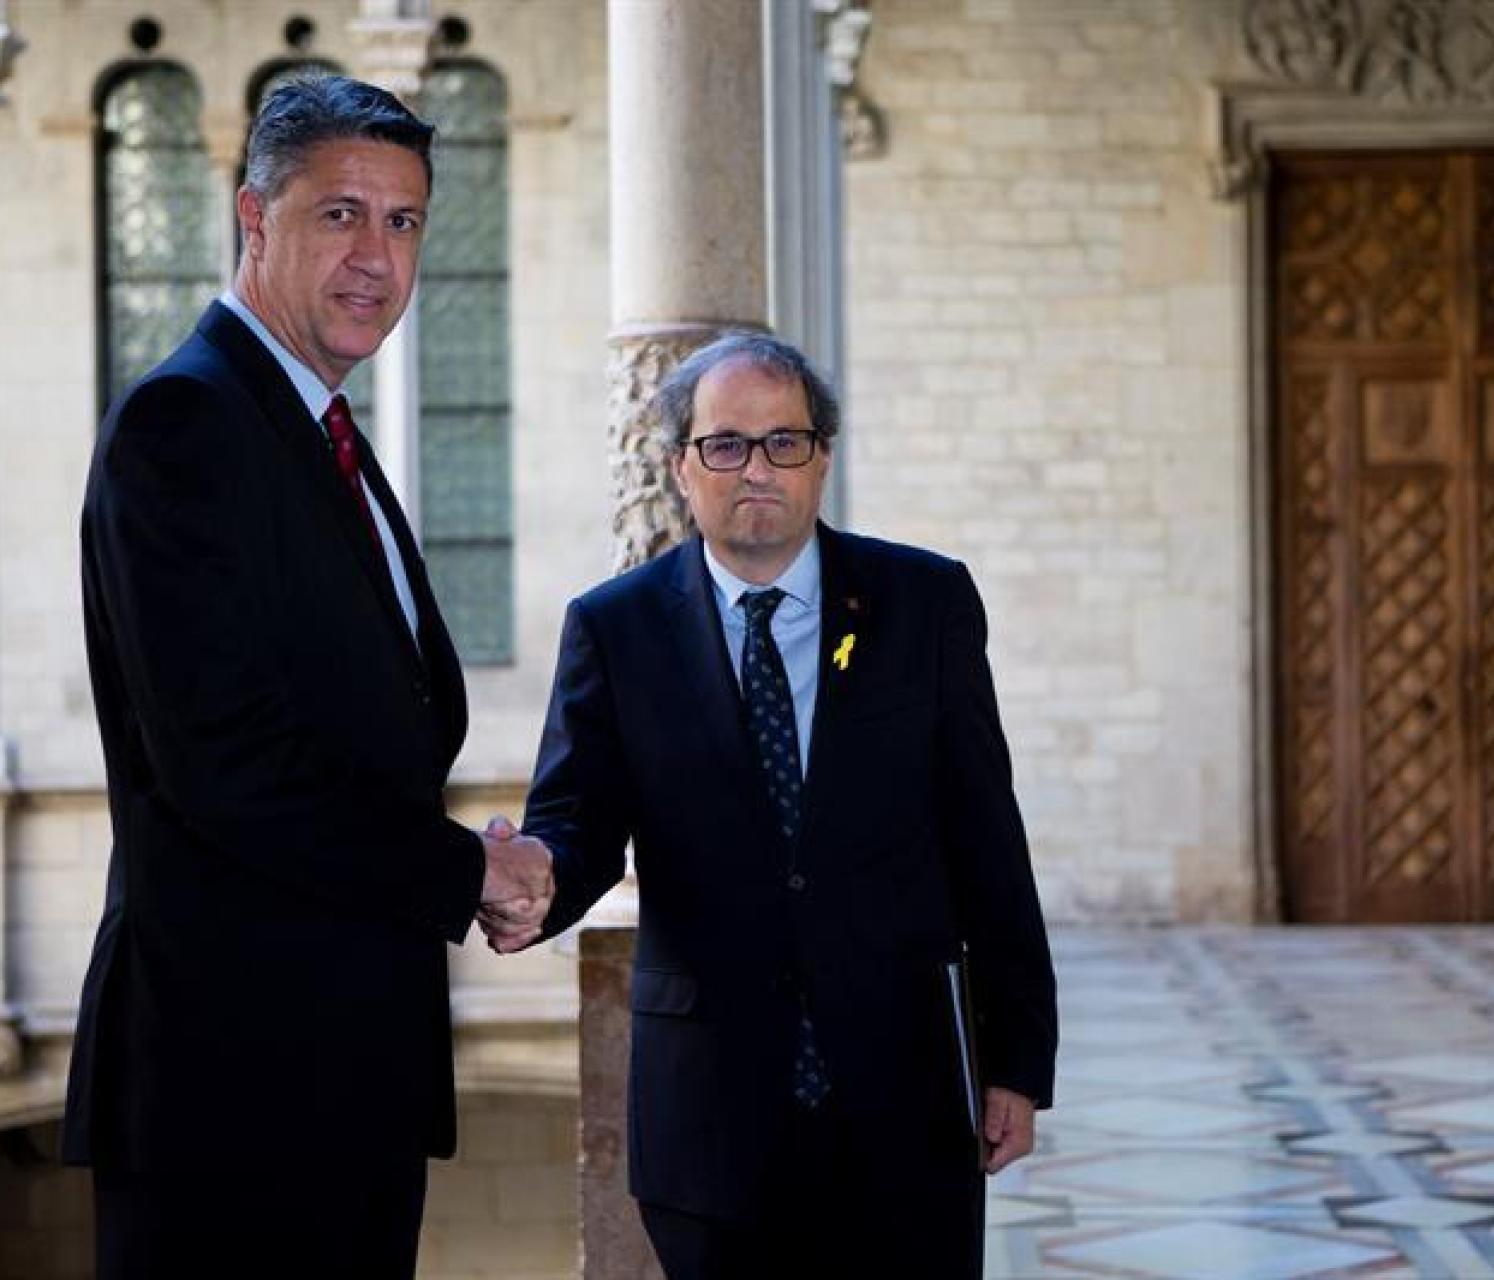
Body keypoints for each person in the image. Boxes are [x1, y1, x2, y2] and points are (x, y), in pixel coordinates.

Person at [63, 74, 553, 1278]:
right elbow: (226, 762)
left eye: (403, 221)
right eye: (340, 214)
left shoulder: (317, 429)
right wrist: (464, 870)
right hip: (230, 1092)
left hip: (344, 1077)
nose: (376, 257)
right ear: (253, 216)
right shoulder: (184, 424)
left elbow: (373, 726)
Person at [484, 332, 1058, 1278]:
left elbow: (987, 838)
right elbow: (578, 821)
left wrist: (1017, 1061)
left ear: (822, 457)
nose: (757, 469)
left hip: (904, 1106)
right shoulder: (616, 628)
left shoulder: (924, 603)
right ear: (681, 467)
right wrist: (533, 879)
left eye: (783, 442)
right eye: (725, 444)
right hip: (708, 1120)